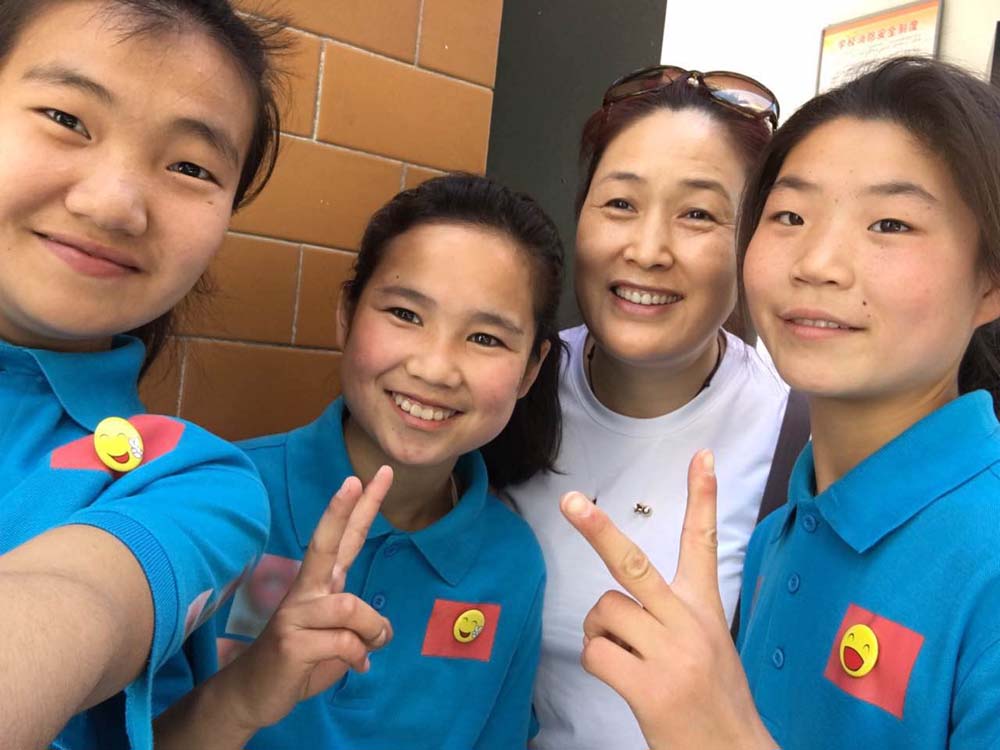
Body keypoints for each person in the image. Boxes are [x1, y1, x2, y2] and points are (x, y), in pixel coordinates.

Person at [562, 56, 1000, 749]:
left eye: (890, 224)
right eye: (790, 215)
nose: (817, 262)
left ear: (990, 281)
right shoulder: (783, 533)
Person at [154, 173, 565, 749]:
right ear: (347, 314)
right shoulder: (215, 500)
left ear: (530, 370)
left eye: (485, 339)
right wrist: (244, 695)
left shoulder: (512, 562)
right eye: (406, 314)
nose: (434, 368)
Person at [0, 0, 284, 747]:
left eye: (190, 167)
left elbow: (79, 599)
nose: (114, 205)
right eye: (66, 118)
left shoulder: (192, 482)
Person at [503, 65, 789, 749]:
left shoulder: (797, 437)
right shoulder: (506, 390)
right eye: (621, 204)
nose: (648, 250)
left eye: (698, 214)